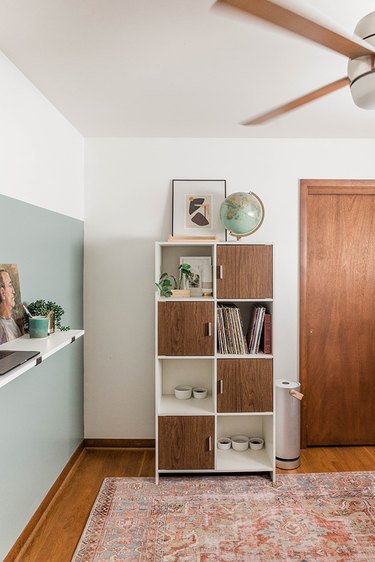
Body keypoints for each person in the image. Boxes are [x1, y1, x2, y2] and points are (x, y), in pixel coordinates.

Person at [0, 268, 22, 344]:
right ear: (2, 293)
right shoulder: (2, 328)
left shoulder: (11, 321)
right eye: (10, 285)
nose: (14, 291)